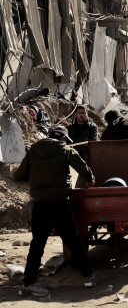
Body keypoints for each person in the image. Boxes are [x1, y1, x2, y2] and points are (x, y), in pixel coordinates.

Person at [13, 125, 96, 296]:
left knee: (37, 244)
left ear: (49, 135)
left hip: (40, 204)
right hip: (60, 203)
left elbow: (18, 175)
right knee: (73, 240)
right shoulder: (65, 149)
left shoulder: (33, 150)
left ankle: (28, 282)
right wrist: (90, 180)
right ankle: (88, 277)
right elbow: (83, 169)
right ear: (64, 138)